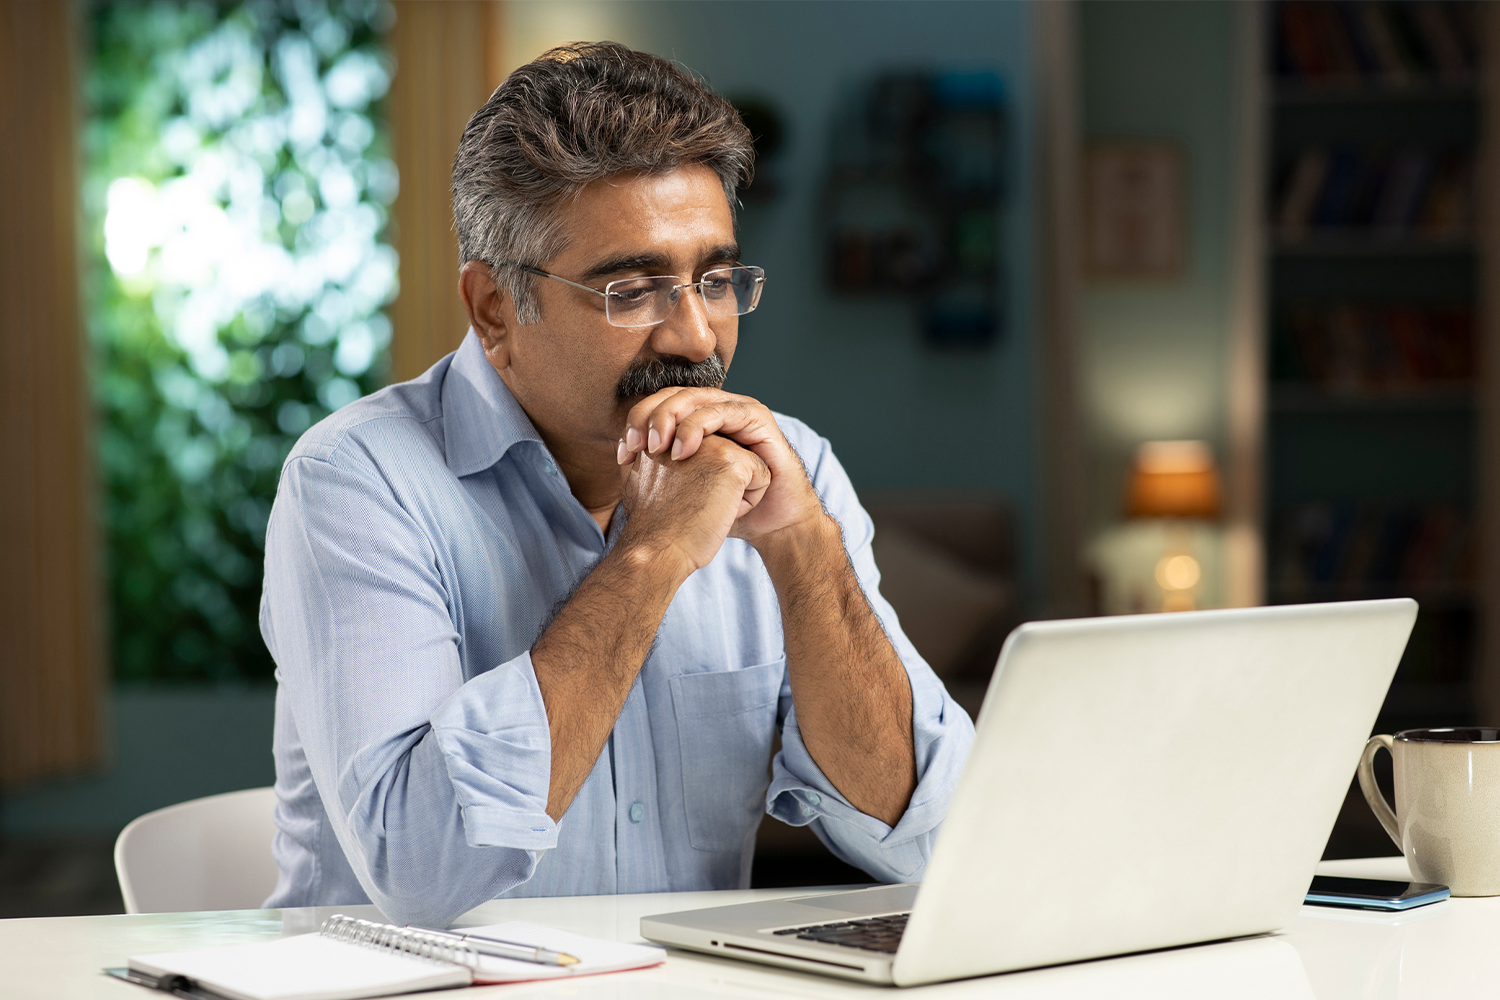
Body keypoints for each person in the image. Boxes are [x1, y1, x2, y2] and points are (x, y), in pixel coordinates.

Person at [260, 41, 974, 928]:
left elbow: (928, 838)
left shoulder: (792, 468)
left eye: (715, 280)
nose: (692, 337)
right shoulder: (357, 483)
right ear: (493, 308)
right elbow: (422, 871)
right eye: (632, 289)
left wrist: (800, 548)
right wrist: (654, 553)